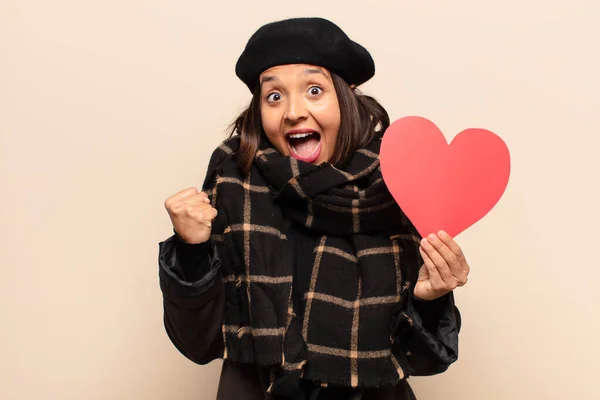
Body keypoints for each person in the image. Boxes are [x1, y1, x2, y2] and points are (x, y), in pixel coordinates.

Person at [158, 17, 469, 400]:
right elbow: (197, 344)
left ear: (347, 96)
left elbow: (425, 361)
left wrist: (429, 299)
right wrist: (191, 251)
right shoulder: (233, 175)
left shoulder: (397, 182)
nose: (292, 112)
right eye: (274, 96)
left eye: (314, 90)